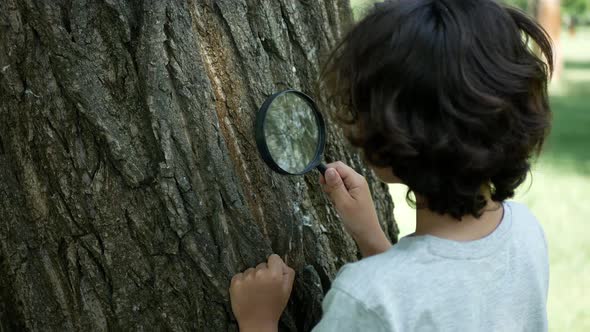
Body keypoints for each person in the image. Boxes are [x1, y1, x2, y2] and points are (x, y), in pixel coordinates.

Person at [229, 0, 553, 330]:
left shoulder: (366, 298)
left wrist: (259, 320)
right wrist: (373, 239)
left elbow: (396, 303)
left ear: (388, 131)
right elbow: (435, 298)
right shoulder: (525, 233)